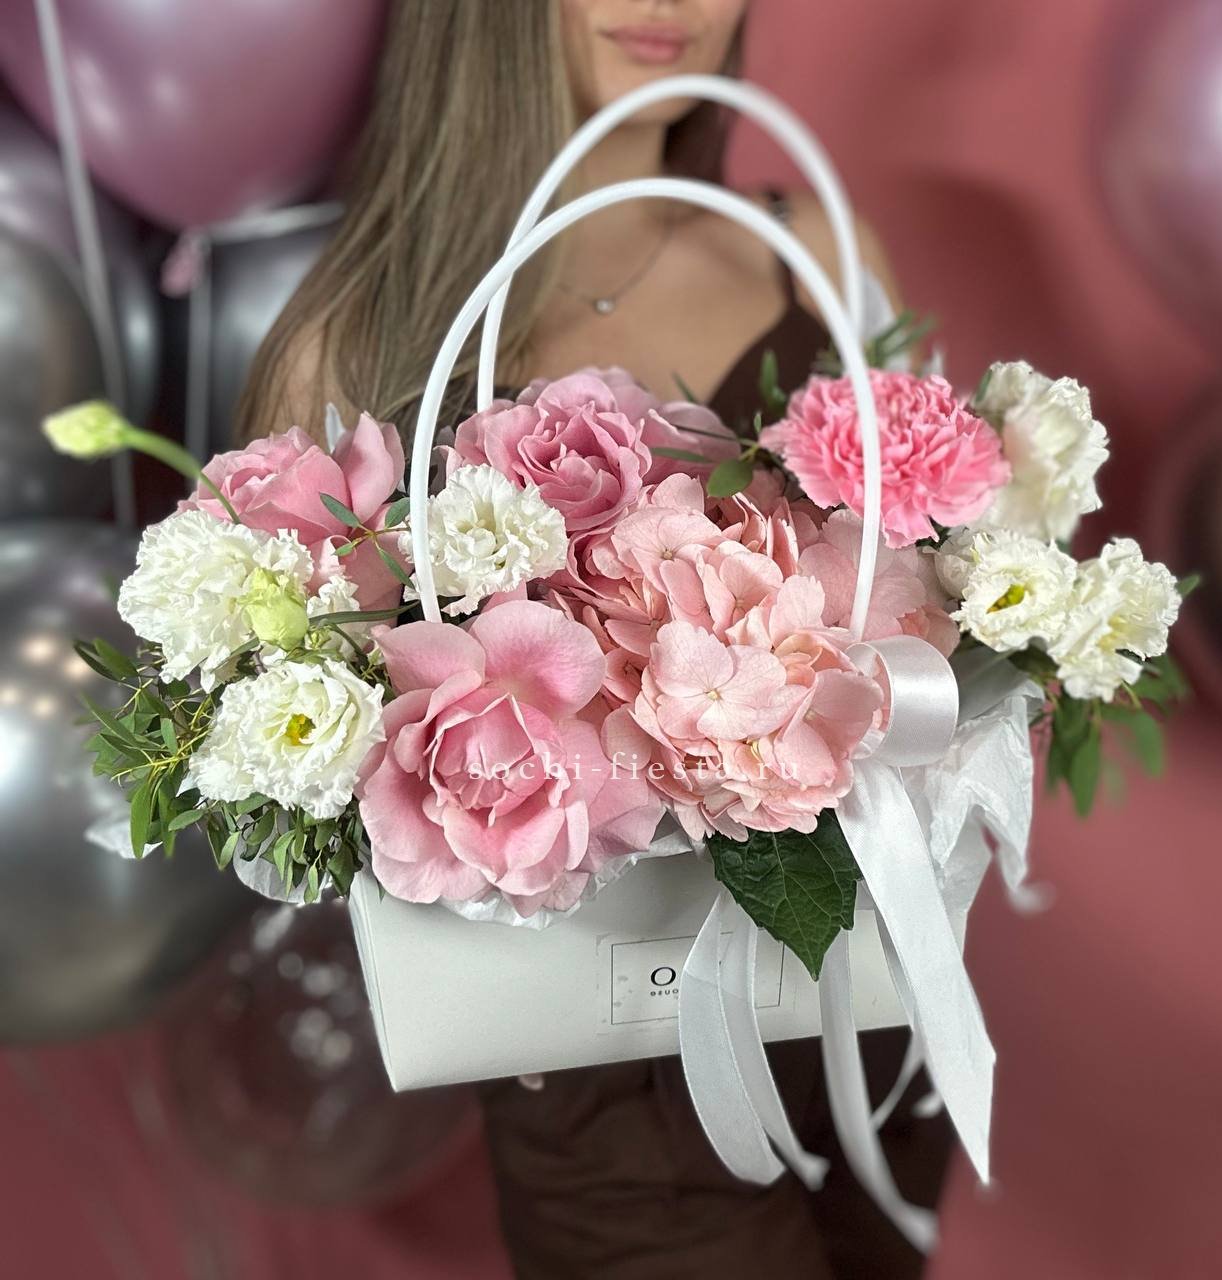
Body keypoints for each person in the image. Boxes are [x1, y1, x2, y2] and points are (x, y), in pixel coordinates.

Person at [238, 2, 953, 1275]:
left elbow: (943, 603)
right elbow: (276, 751)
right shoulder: (361, 336)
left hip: (863, 1003)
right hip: (599, 1066)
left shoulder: (816, 251)